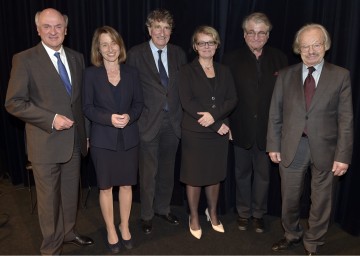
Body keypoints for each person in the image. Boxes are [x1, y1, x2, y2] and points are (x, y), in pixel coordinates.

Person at [5, 8, 94, 255]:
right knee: (48, 202)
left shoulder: (77, 57)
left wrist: (84, 133)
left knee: (69, 195)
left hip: (74, 142)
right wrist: (51, 119)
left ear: (66, 30)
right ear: (38, 29)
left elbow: (78, 102)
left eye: (58, 26)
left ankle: (68, 232)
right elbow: (14, 102)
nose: (53, 31)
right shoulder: (24, 59)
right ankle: (51, 248)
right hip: (44, 143)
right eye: (47, 26)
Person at [267, 23, 353, 255]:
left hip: (327, 149)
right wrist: (273, 144)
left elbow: (346, 120)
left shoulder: (341, 75)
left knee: (321, 200)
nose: (311, 50)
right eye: (305, 46)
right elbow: (275, 112)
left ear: (325, 46)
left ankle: (313, 243)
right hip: (292, 147)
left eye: (316, 44)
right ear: (298, 48)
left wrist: (343, 156)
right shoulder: (285, 75)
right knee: (290, 198)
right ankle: (292, 234)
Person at [222, 12, 288, 233]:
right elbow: (224, 96)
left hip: (268, 131)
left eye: (262, 33)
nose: (256, 37)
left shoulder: (280, 59)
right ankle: (243, 213)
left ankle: (258, 214)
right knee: (241, 173)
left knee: (263, 175)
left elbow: (286, 98)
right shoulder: (230, 59)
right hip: (239, 129)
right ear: (244, 34)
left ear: (268, 35)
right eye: (252, 32)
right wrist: (227, 124)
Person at [83, 26, 143, 253]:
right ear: (98, 48)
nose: (110, 48)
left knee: (127, 185)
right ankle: (110, 229)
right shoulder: (90, 74)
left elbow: (138, 104)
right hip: (103, 140)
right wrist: (109, 118)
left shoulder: (132, 73)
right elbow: (87, 107)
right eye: (104, 44)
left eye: (113, 43)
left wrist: (130, 116)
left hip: (129, 139)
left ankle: (124, 225)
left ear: (120, 45)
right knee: (106, 187)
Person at [126, 9, 187, 234]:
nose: (162, 32)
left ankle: (163, 208)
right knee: (148, 172)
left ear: (171, 31)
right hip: (147, 122)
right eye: (157, 27)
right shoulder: (135, 54)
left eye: (166, 27)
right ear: (149, 29)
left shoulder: (179, 53)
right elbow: (129, 89)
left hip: (173, 122)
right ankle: (147, 214)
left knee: (167, 170)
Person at [178, 25, 237, 239]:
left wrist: (215, 117)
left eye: (210, 42)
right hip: (195, 133)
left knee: (214, 176)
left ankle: (212, 212)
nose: (206, 46)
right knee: (194, 177)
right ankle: (193, 216)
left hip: (218, 133)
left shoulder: (225, 70)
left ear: (217, 45)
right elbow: (187, 102)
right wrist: (214, 122)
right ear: (195, 46)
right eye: (202, 42)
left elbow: (232, 99)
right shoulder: (185, 71)